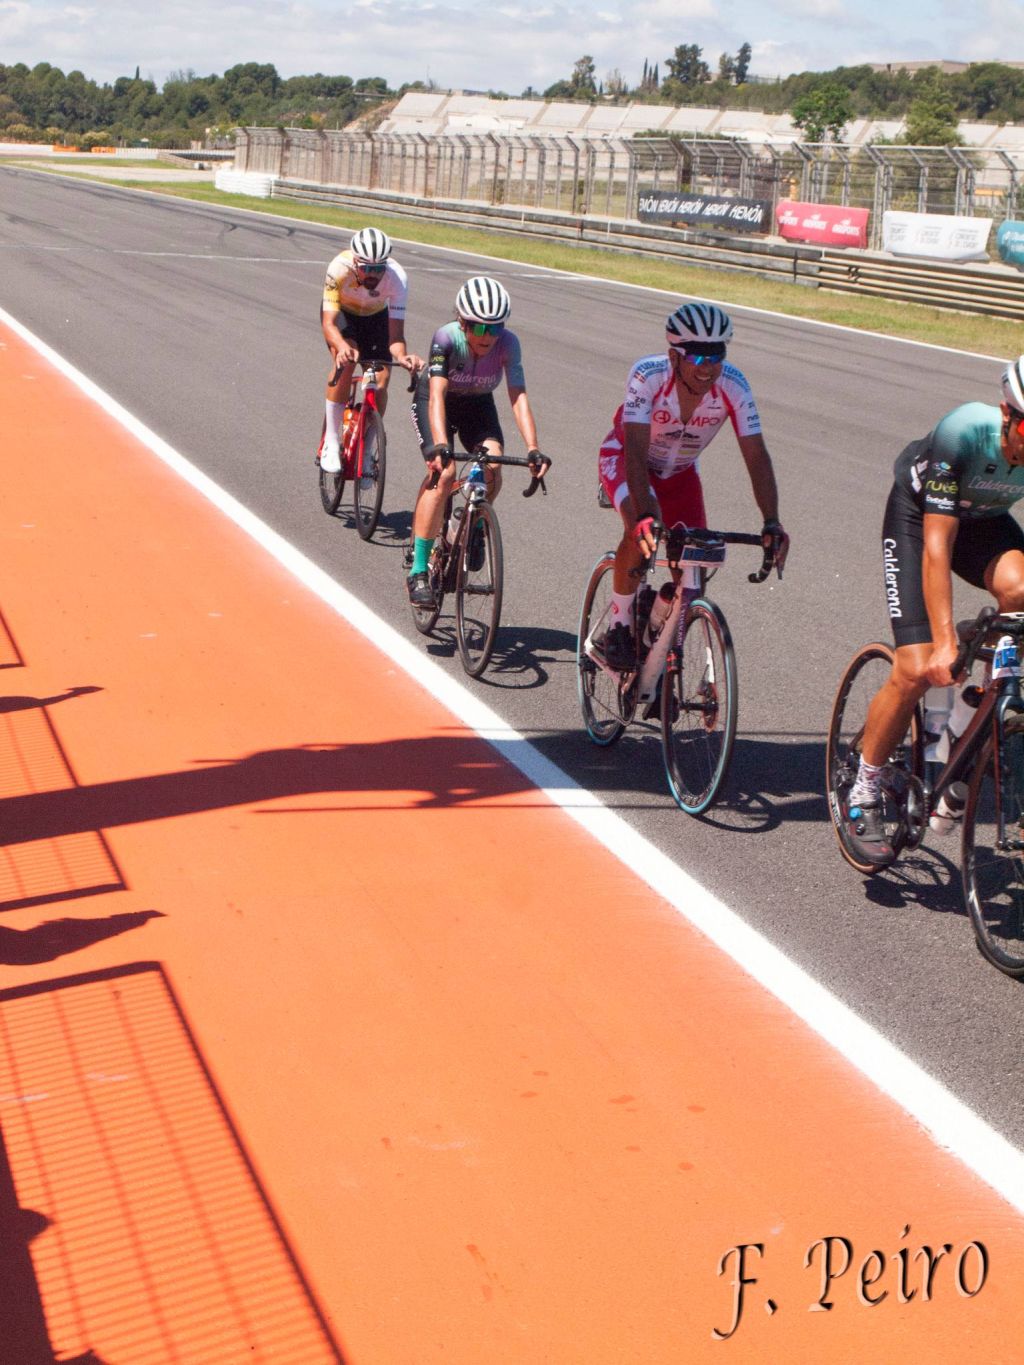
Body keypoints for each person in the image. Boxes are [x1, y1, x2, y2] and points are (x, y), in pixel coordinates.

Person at [840, 356, 1024, 867]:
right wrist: (942, 641)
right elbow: (937, 549)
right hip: (920, 521)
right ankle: (864, 788)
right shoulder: (962, 432)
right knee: (917, 667)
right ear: (1007, 415)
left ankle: (974, 719)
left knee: (1021, 592)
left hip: (985, 520)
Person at [595, 300, 789, 670]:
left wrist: (771, 521)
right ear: (674, 356)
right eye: (698, 357)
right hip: (626, 459)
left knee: (692, 567)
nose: (708, 367)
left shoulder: (734, 385)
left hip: (680, 472)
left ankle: (656, 625)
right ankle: (619, 625)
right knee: (640, 527)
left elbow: (756, 456)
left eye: (716, 356)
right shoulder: (647, 376)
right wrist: (644, 516)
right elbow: (634, 451)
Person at [406, 276, 547, 605]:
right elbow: (437, 395)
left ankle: (474, 525)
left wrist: (533, 448)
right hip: (437, 401)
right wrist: (441, 446)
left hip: (477, 404)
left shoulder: (508, 344)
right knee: (444, 474)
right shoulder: (446, 337)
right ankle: (418, 569)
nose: (488, 336)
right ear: (462, 322)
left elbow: (518, 397)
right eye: (480, 327)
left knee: (493, 464)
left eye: (495, 327)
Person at [319, 227, 421, 473]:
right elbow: (329, 323)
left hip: (376, 319)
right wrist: (342, 346)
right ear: (355, 262)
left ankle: (367, 450)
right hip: (343, 316)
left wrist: (402, 356)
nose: (373, 274)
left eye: (378, 268)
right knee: (346, 363)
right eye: (367, 268)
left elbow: (395, 336)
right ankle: (331, 442)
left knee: (381, 381)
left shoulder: (397, 278)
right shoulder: (338, 268)